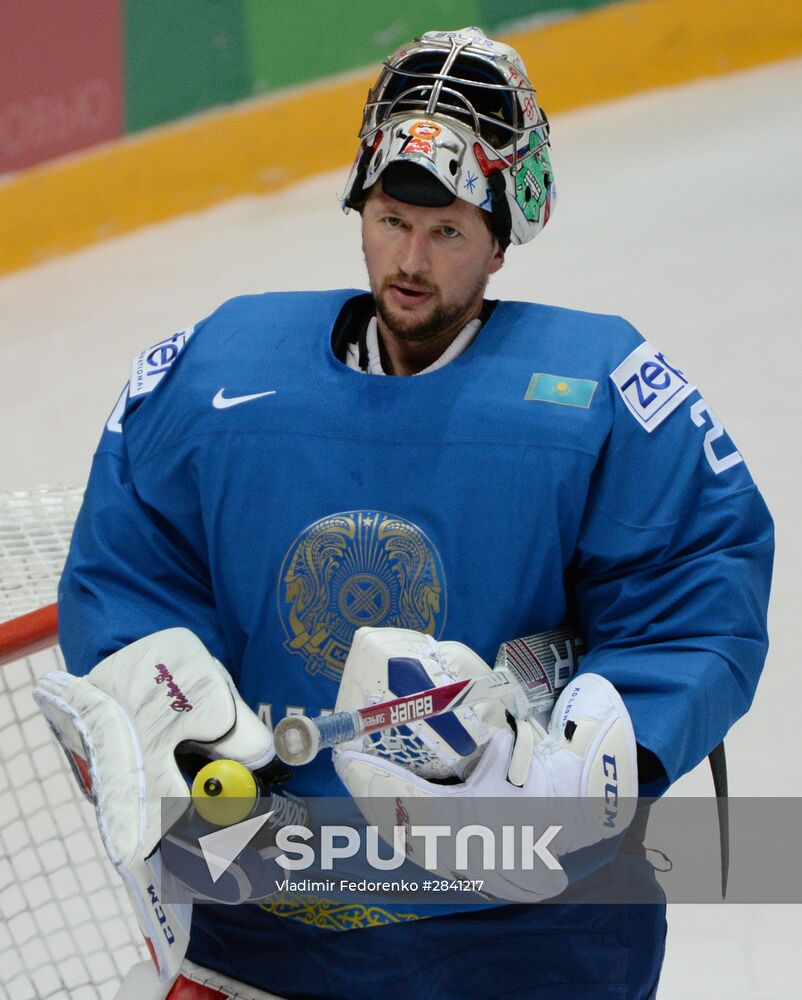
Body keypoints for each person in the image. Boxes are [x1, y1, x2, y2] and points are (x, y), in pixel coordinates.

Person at [56, 26, 773, 1000]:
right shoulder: (217, 371)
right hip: (268, 919)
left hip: (527, 936)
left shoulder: (598, 393)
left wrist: (612, 739)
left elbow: (696, 585)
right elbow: (131, 563)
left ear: (503, 235)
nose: (410, 260)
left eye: (447, 233)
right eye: (392, 219)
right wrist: (155, 682)